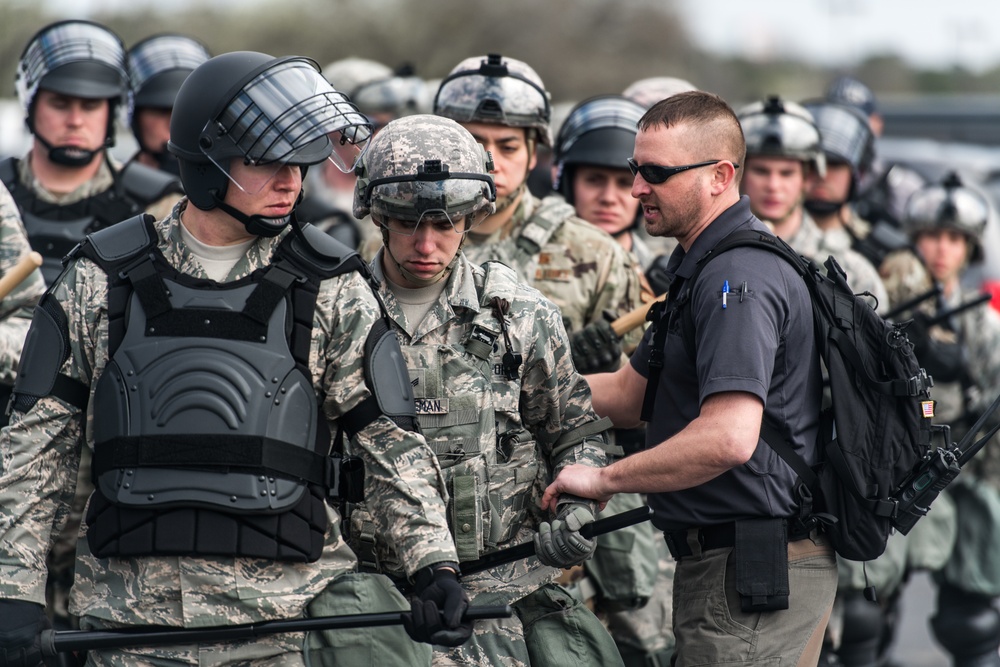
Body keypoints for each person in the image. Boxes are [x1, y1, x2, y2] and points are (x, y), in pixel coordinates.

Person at [0, 51, 471, 667]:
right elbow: (36, 448)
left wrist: (432, 564)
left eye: (300, 163)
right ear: (205, 163)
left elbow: (388, 443)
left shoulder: (330, 283)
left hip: (283, 628)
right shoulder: (99, 278)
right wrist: (12, 590)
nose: (292, 182)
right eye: (268, 163)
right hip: (126, 628)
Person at [541, 90, 838, 665]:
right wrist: (513, 392)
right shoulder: (704, 269)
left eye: (656, 172)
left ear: (719, 176)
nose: (635, 189)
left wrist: (604, 481)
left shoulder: (737, 280)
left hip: (750, 575)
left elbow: (728, 437)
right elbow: (629, 397)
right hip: (724, 568)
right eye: (635, 169)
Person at [350, 113, 624, 666]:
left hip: (506, 593)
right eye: (407, 224)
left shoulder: (519, 317)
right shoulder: (339, 312)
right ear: (379, 215)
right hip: (376, 599)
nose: (427, 243)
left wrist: (574, 510)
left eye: (447, 224)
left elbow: (575, 433)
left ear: (473, 217)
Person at [552, 93, 675, 667]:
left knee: (647, 644)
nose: (608, 196)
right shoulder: (538, 263)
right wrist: (566, 362)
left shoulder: (674, 268)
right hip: (553, 484)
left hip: (633, 481)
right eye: (592, 179)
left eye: (619, 179)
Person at [432, 53, 643, 372]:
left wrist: (608, 368)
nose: (491, 164)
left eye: (509, 147)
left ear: (533, 155)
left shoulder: (597, 254)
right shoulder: (393, 241)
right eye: (474, 144)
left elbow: (638, 399)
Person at [902, 173, 1000, 667]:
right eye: (931, 236)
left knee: (972, 620)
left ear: (970, 248)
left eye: (955, 239)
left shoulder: (983, 324)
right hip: (893, 470)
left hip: (964, 472)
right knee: (862, 613)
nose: (941, 249)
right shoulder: (891, 308)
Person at [2, 20, 182, 286]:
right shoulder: (2, 191)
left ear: (111, 112)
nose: (75, 120)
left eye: (91, 105)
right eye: (59, 103)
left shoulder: (160, 205)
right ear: (31, 105)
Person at [738, 95, 889, 309]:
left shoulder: (851, 273)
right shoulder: (703, 253)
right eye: (761, 171)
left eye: (786, 173)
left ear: (807, 179)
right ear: (741, 175)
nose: (773, 185)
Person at [126, 33, 212, 176]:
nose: (173, 124)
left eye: (187, 113)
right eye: (161, 111)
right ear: (135, 118)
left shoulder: (236, 191)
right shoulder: (107, 191)